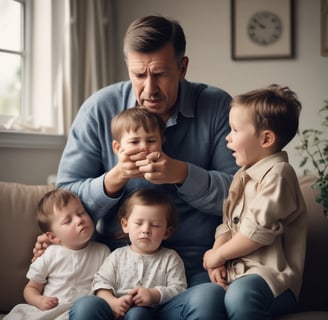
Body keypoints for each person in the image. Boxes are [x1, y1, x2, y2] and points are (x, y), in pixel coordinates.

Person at [33, 15, 238, 320]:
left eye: (160, 74)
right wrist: (114, 179)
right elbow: (64, 197)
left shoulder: (218, 106)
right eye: (139, 75)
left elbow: (241, 196)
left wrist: (183, 174)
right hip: (115, 270)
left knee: (210, 303)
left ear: (183, 67)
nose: (149, 88)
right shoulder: (99, 109)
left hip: (194, 268)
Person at [203, 84, 308, 320]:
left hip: (274, 282)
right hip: (238, 273)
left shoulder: (279, 175)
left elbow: (255, 233)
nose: (228, 138)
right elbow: (228, 225)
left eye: (235, 130)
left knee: (240, 296)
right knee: (204, 295)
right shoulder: (241, 175)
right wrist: (216, 256)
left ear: (266, 138)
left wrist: (219, 256)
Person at [5, 189, 110, 320]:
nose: (79, 220)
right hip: (53, 310)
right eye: (68, 220)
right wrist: (39, 300)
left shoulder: (103, 252)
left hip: (82, 311)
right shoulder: (49, 254)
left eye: (81, 212)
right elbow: (31, 288)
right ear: (53, 237)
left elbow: (106, 285)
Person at [92, 188, 187, 320]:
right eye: (138, 223)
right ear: (125, 225)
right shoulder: (117, 256)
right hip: (115, 310)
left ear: (166, 232)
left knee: (138, 314)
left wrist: (154, 295)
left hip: (148, 313)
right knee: (86, 305)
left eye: (155, 225)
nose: (146, 230)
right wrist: (112, 301)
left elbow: (179, 288)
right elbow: (101, 283)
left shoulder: (170, 258)